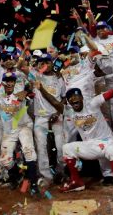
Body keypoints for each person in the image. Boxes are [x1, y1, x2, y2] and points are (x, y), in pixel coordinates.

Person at [34, 78, 113, 205]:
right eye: (70, 98)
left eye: (76, 97)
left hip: (106, 143)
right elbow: (53, 101)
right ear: (68, 102)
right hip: (90, 146)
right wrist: (41, 88)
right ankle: (76, 182)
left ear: (82, 98)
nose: (73, 99)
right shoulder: (69, 111)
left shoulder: (92, 103)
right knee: (67, 148)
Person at [0, 72, 40, 196]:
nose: (10, 83)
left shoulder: (21, 92)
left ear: (15, 82)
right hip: (9, 131)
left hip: (23, 126)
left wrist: (27, 91)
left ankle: (33, 184)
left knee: (29, 151)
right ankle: (16, 175)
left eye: (12, 81)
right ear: (3, 83)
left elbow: (32, 91)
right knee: (5, 161)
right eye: (7, 81)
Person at [31, 53, 66, 185]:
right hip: (40, 116)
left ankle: (60, 172)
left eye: (47, 61)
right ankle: (46, 176)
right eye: (42, 62)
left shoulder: (59, 78)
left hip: (57, 115)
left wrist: (58, 111)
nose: (45, 64)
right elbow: (21, 67)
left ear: (52, 63)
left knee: (61, 146)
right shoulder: (35, 76)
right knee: (41, 147)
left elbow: (63, 96)